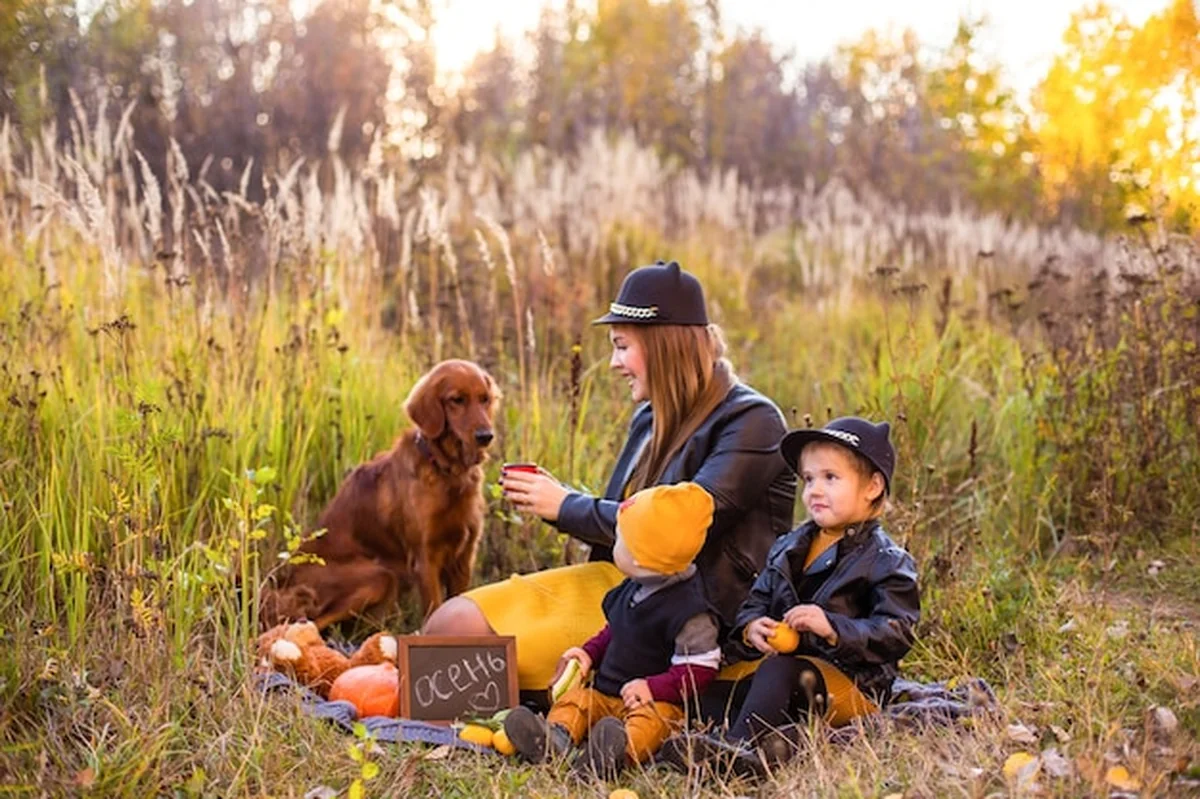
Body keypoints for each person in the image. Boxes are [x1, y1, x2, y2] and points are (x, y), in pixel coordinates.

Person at [422, 259, 796, 699]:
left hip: (689, 616)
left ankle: (521, 711)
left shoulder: (752, 422)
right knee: (450, 623)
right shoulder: (649, 417)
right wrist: (557, 504)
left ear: (664, 346)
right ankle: (474, 715)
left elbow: (677, 528)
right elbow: (623, 529)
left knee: (463, 641)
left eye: (622, 346)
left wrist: (566, 505)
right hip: (622, 593)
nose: (614, 363)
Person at [659, 417, 920, 778]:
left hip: (853, 686)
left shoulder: (886, 560)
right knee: (715, 695)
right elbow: (757, 601)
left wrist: (833, 628)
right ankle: (713, 743)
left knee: (780, 672)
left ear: (873, 486)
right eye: (809, 479)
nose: (814, 489)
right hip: (789, 677)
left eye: (831, 478)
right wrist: (752, 627)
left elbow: (898, 631)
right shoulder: (789, 547)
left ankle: (737, 756)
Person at [502, 482, 721, 778]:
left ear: (641, 558)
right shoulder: (634, 587)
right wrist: (588, 653)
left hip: (655, 702)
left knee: (652, 723)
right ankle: (556, 739)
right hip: (605, 694)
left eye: (620, 540)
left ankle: (616, 754)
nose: (614, 544)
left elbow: (700, 670)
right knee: (578, 701)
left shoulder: (689, 612)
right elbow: (614, 631)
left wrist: (652, 688)